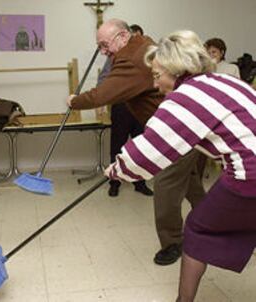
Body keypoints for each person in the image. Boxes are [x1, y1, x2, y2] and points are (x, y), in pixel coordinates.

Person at [106, 29, 256, 302]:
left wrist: (117, 170)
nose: (155, 85)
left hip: (250, 173)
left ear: (174, 70)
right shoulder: (222, 80)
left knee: (197, 228)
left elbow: (149, 150)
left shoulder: (184, 96)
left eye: (156, 75)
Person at [67, 19, 206, 266]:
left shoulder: (131, 58)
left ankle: (173, 243)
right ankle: (215, 225)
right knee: (190, 184)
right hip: (182, 128)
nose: (103, 51)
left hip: (172, 134)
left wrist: (75, 101)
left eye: (104, 45)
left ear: (122, 37)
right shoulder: (142, 44)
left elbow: (104, 94)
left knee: (165, 185)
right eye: (99, 47)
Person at [97, 24, 153, 197]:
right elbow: (104, 78)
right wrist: (100, 99)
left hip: (141, 107)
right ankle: (114, 182)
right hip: (122, 106)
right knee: (118, 145)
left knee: (141, 146)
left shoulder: (149, 55)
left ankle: (140, 182)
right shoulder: (115, 57)